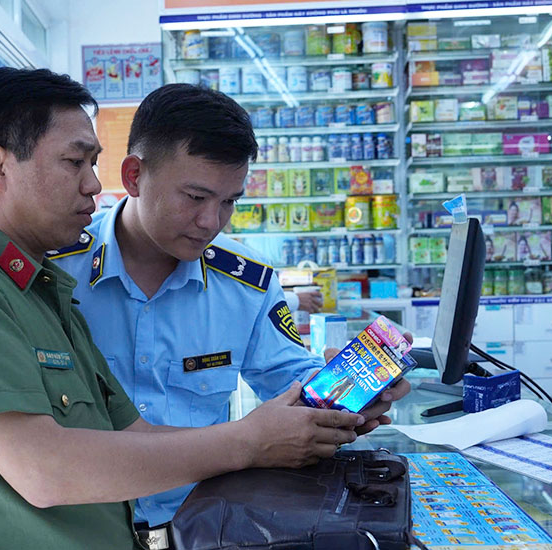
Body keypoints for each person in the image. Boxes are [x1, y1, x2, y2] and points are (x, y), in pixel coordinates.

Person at [0, 68, 366, 550]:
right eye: (75, 163)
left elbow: (138, 435)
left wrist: (342, 399)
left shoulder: (45, 289)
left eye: (93, 164)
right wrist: (248, 442)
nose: (93, 185)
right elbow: (43, 469)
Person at [50, 84, 411, 532]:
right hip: (79, 528)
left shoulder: (247, 282)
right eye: (195, 197)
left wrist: (344, 395)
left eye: (229, 202)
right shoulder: (54, 269)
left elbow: (290, 381)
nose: (211, 222)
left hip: (200, 528)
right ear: (133, 176)